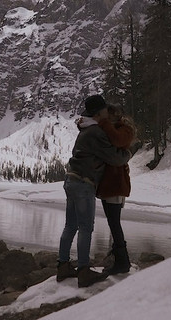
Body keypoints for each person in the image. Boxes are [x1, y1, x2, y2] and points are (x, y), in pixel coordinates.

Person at [58, 94, 131, 288]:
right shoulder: (95, 133)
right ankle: (83, 271)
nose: (109, 111)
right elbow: (114, 158)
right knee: (86, 228)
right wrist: (128, 153)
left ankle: (63, 266)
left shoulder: (85, 129)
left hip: (70, 180)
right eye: (106, 109)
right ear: (99, 113)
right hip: (84, 183)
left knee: (70, 226)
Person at [95, 105, 136, 274]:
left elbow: (117, 141)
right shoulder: (115, 130)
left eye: (105, 116)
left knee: (114, 223)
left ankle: (122, 261)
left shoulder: (123, 130)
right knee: (113, 222)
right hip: (111, 185)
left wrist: (104, 123)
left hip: (115, 185)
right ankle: (118, 258)